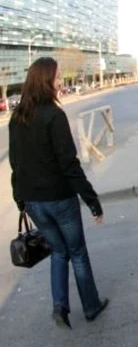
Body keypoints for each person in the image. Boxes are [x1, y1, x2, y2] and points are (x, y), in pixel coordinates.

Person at [9, 57, 109, 330]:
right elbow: (69, 164)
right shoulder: (54, 115)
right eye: (55, 79)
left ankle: (60, 307)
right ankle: (90, 306)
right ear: (44, 81)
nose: (59, 84)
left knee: (58, 252)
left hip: (33, 202)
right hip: (59, 199)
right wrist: (92, 201)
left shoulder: (17, 119)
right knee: (77, 252)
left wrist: (20, 200)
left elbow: (16, 164)